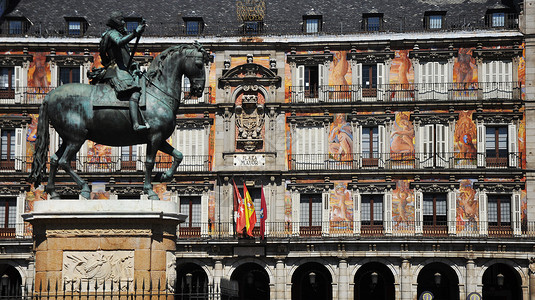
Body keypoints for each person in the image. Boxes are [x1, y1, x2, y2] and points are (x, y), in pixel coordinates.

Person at [99, 11, 150, 131]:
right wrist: (135, 33)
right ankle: (136, 124)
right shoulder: (111, 34)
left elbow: (125, 57)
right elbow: (119, 42)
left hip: (124, 69)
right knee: (135, 92)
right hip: (116, 70)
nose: (123, 23)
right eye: (121, 20)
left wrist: (133, 66)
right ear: (116, 22)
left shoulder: (118, 34)